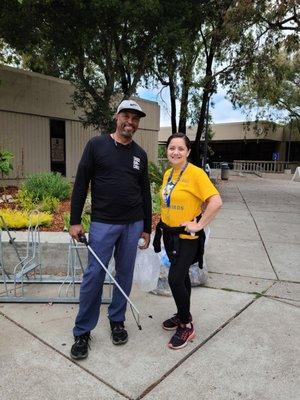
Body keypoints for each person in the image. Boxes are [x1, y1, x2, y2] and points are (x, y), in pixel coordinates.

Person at [69, 99, 152, 360]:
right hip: (103, 223)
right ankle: (83, 331)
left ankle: (117, 320)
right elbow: (81, 183)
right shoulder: (96, 145)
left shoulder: (140, 154)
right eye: (126, 116)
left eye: (135, 119)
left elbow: (145, 192)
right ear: (117, 118)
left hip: (133, 224)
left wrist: (146, 227)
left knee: (124, 274)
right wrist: (74, 220)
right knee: (94, 275)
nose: (131, 122)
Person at [153, 133, 222, 350]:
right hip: (170, 235)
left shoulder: (196, 174)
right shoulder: (168, 174)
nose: (175, 152)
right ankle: (182, 313)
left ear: (188, 151)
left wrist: (199, 224)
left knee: (174, 279)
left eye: (180, 149)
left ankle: (187, 324)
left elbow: (216, 201)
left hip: (187, 238)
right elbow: (168, 202)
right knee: (180, 277)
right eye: (172, 148)